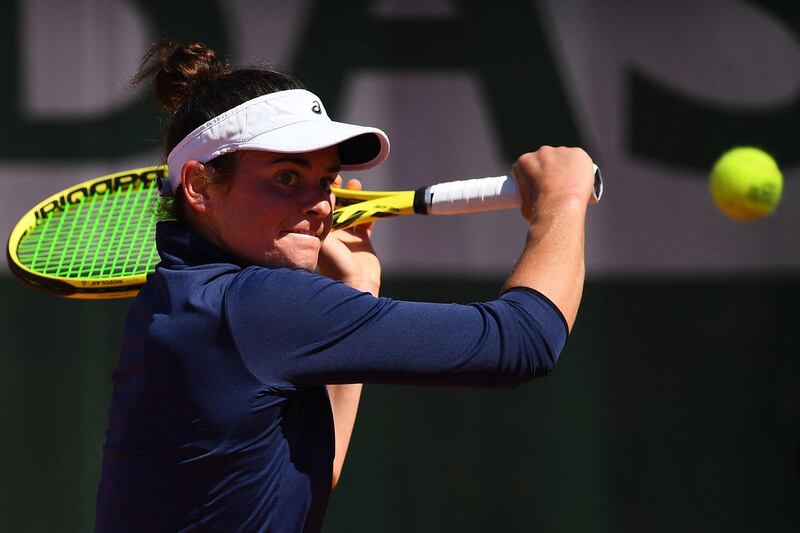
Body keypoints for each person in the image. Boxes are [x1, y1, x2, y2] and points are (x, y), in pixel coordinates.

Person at [95, 42, 597, 532]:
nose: (320, 204)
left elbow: (310, 471)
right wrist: (565, 200)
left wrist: (358, 282)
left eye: (325, 180)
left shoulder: (180, 299)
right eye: (287, 177)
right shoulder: (256, 307)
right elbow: (522, 342)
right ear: (200, 186)